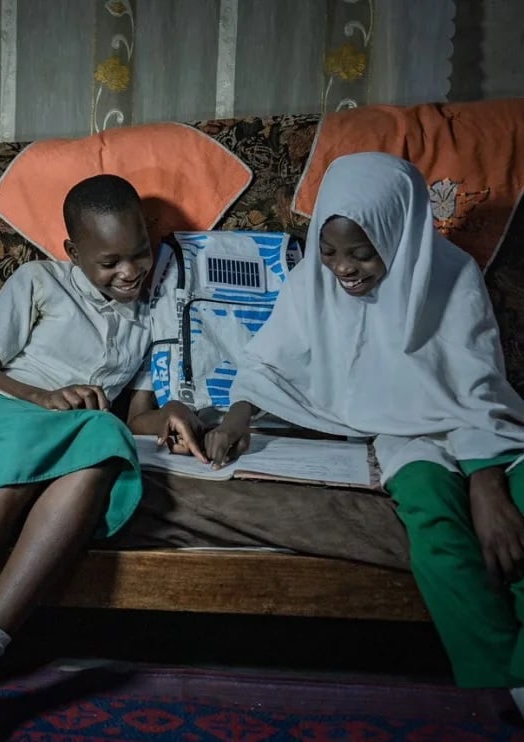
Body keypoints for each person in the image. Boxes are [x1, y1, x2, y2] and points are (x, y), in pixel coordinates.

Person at [0, 174, 207, 741]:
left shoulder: (149, 314)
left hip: (64, 430)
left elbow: (135, 418)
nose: (129, 272)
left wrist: (176, 413)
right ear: (72, 252)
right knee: (32, 460)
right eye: (109, 262)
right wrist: (42, 398)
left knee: (105, 440)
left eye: (139, 253)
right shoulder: (38, 281)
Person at [205, 152, 524, 703]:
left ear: (400, 234)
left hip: (482, 430)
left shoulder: (450, 274)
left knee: (513, 519)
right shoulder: (315, 281)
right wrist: (238, 415)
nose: (343, 269)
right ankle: (507, 677)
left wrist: (487, 483)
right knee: (434, 524)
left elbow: (477, 386)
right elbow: (268, 360)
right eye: (330, 253)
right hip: (403, 434)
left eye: (362, 253)